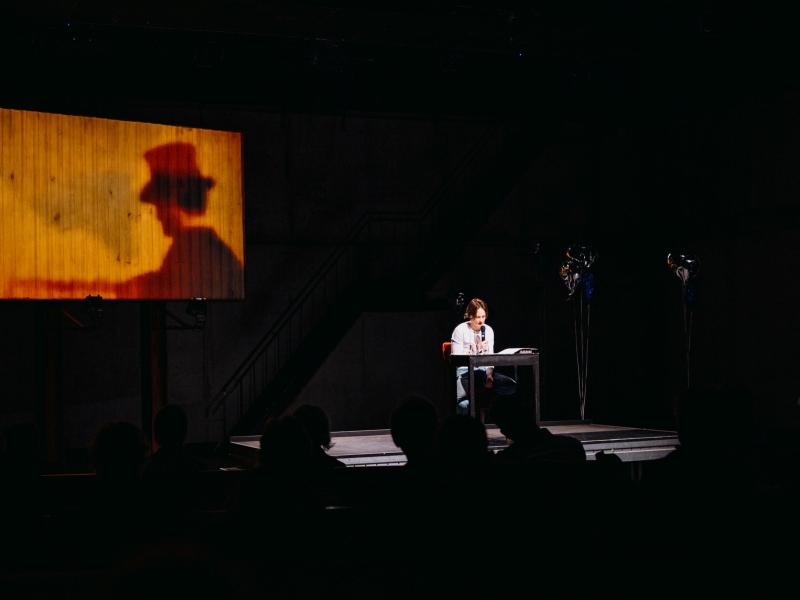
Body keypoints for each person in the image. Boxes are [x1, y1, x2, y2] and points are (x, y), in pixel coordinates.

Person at [450, 297, 515, 416]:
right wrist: (476, 348)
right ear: (470, 316)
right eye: (478, 317)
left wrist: (489, 375)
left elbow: (490, 358)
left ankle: (489, 405)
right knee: (463, 405)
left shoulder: (488, 330)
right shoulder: (460, 330)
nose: (481, 321)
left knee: (510, 385)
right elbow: (458, 359)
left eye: (483, 317)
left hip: (483, 372)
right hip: (465, 372)